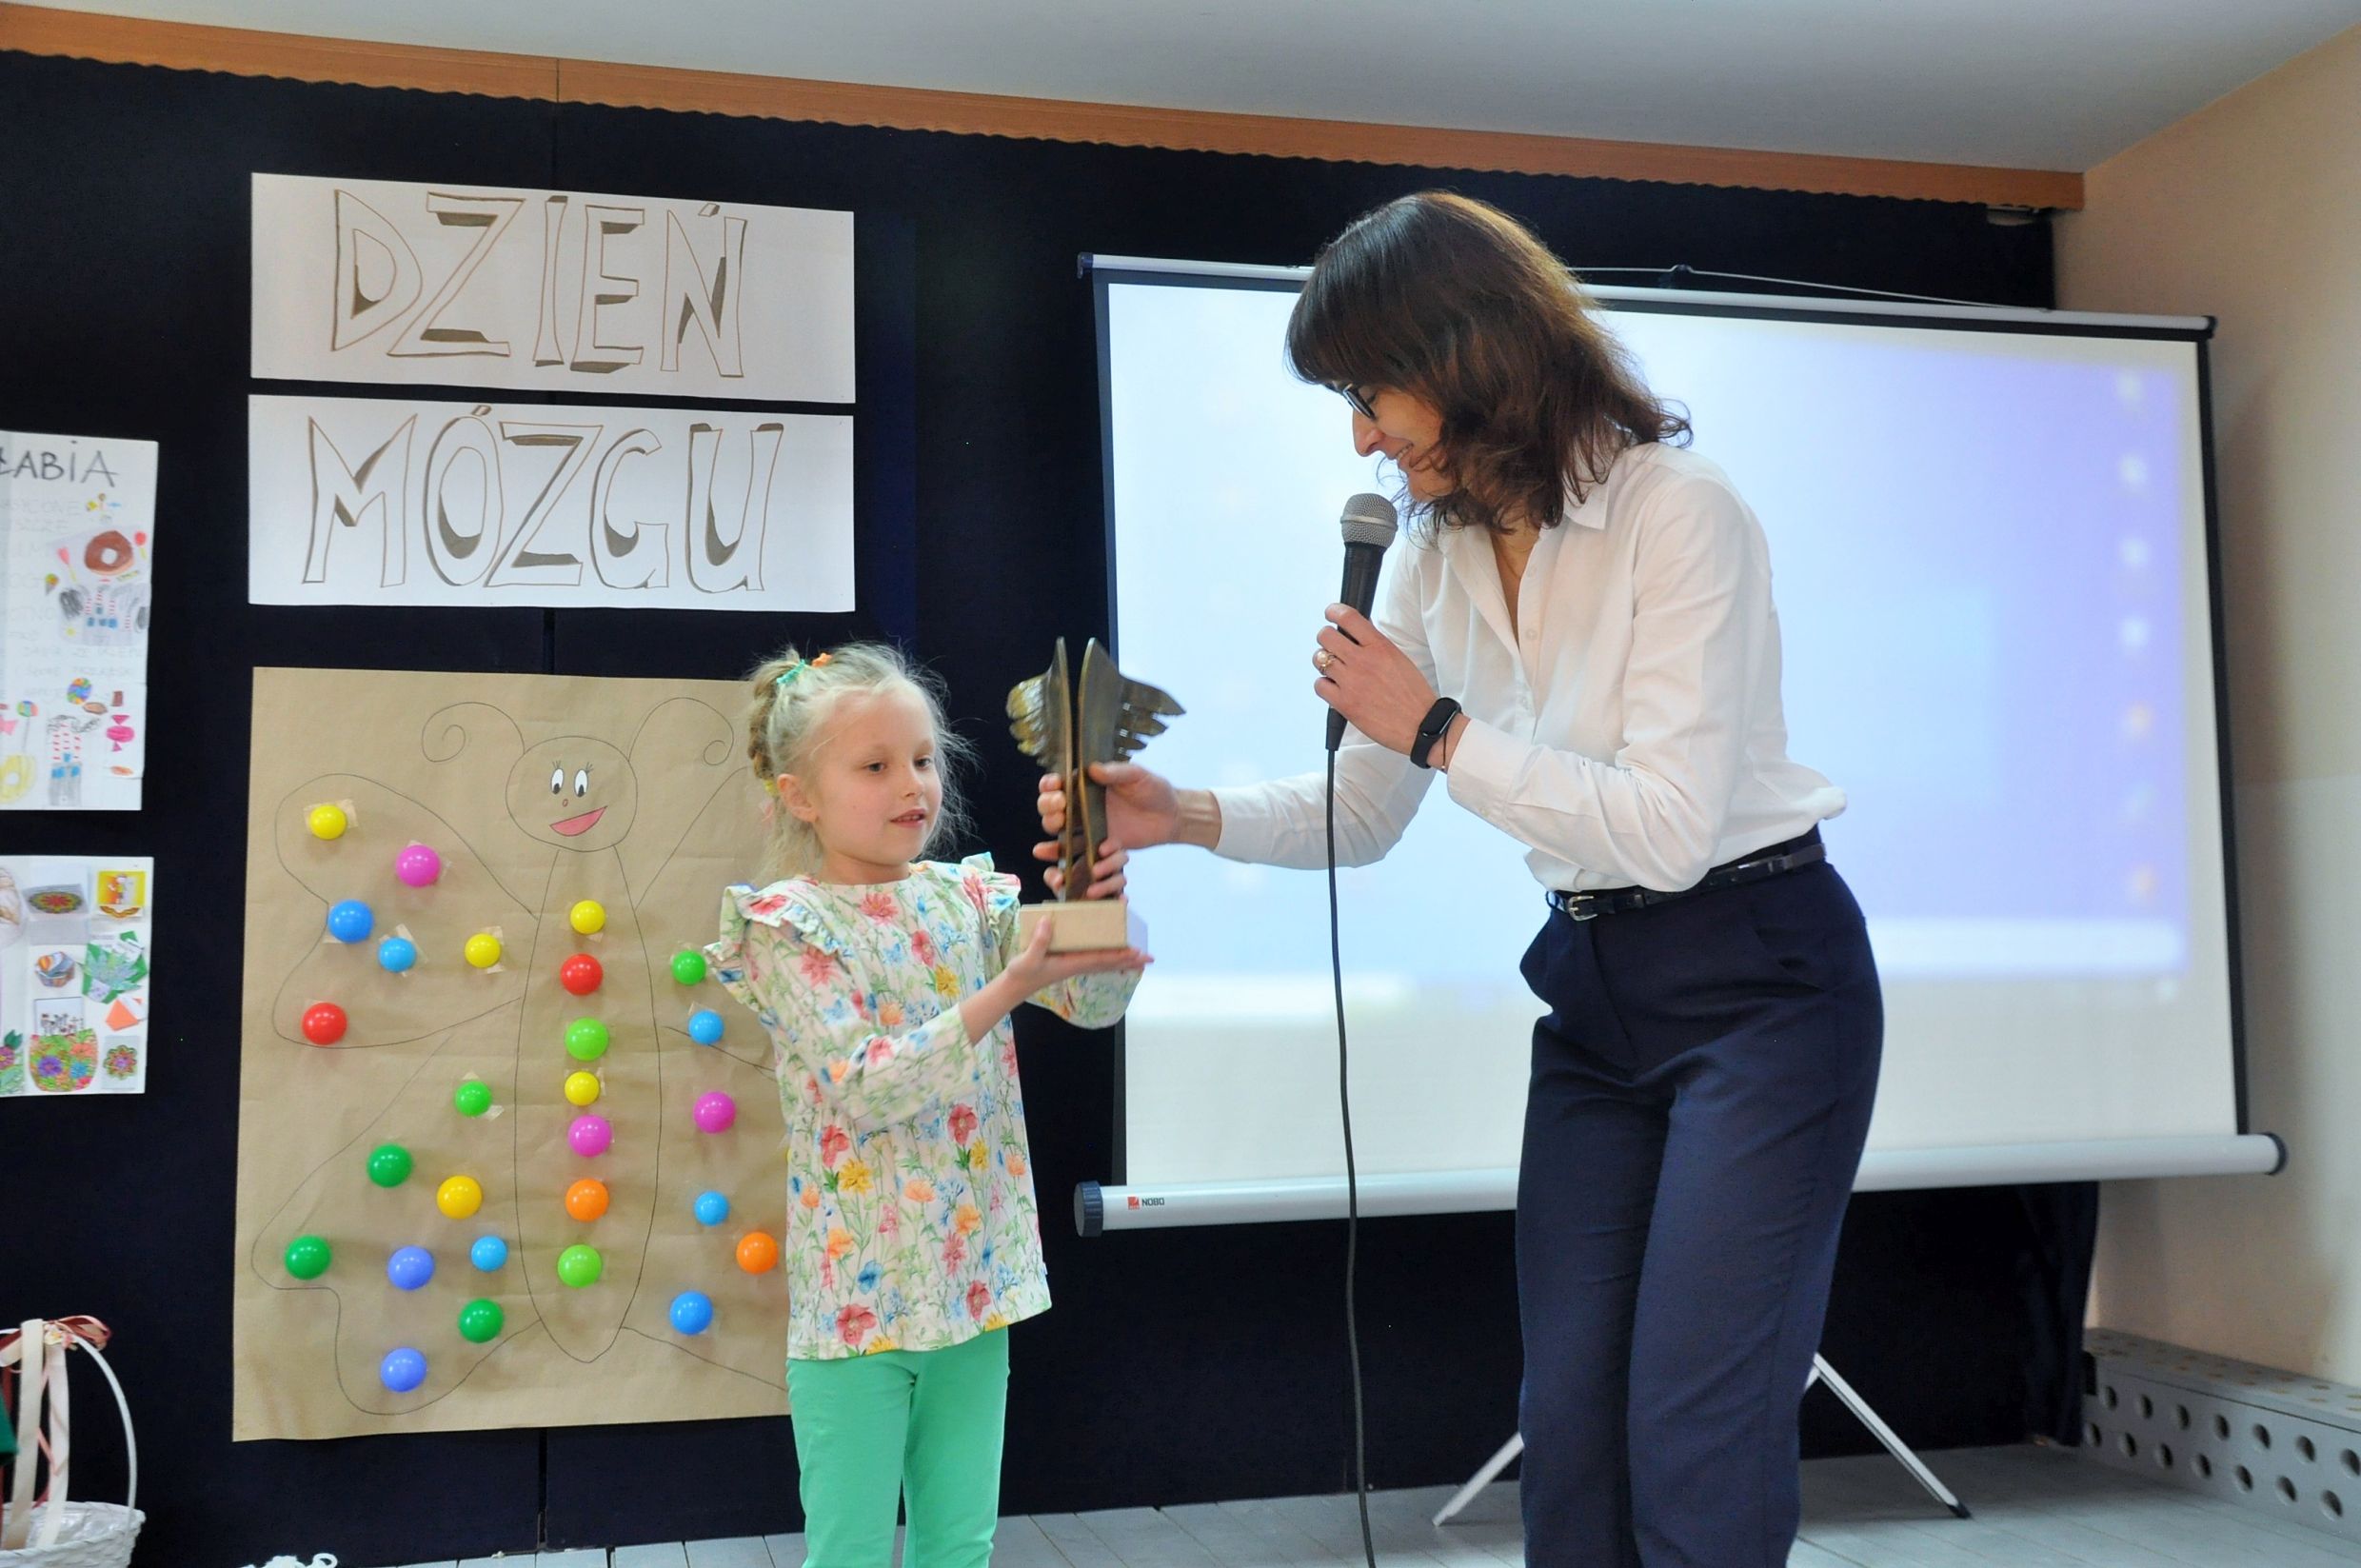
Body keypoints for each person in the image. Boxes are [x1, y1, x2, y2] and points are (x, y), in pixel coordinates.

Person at [1038, 192, 1883, 1568]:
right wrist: (1178, 812)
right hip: (1599, 996)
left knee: (1694, 1431)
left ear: (1465, 354)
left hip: (1763, 986)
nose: (1359, 437)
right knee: (1569, 1428)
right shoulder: (1432, 552)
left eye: (1366, 394)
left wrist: (1435, 726)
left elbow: (1668, 830)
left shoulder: (1681, 512)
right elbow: (1362, 812)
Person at [710, 642, 1148, 1568]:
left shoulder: (968, 900)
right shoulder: (788, 928)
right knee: (851, 1553)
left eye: (921, 759)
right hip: (856, 1310)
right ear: (800, 796)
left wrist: (1103, 914)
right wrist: (1008, 987)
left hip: (973, 1286)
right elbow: (869, 1085)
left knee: (958, 1547)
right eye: (874, 766)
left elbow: (1090, 1002)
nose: (910, 784)